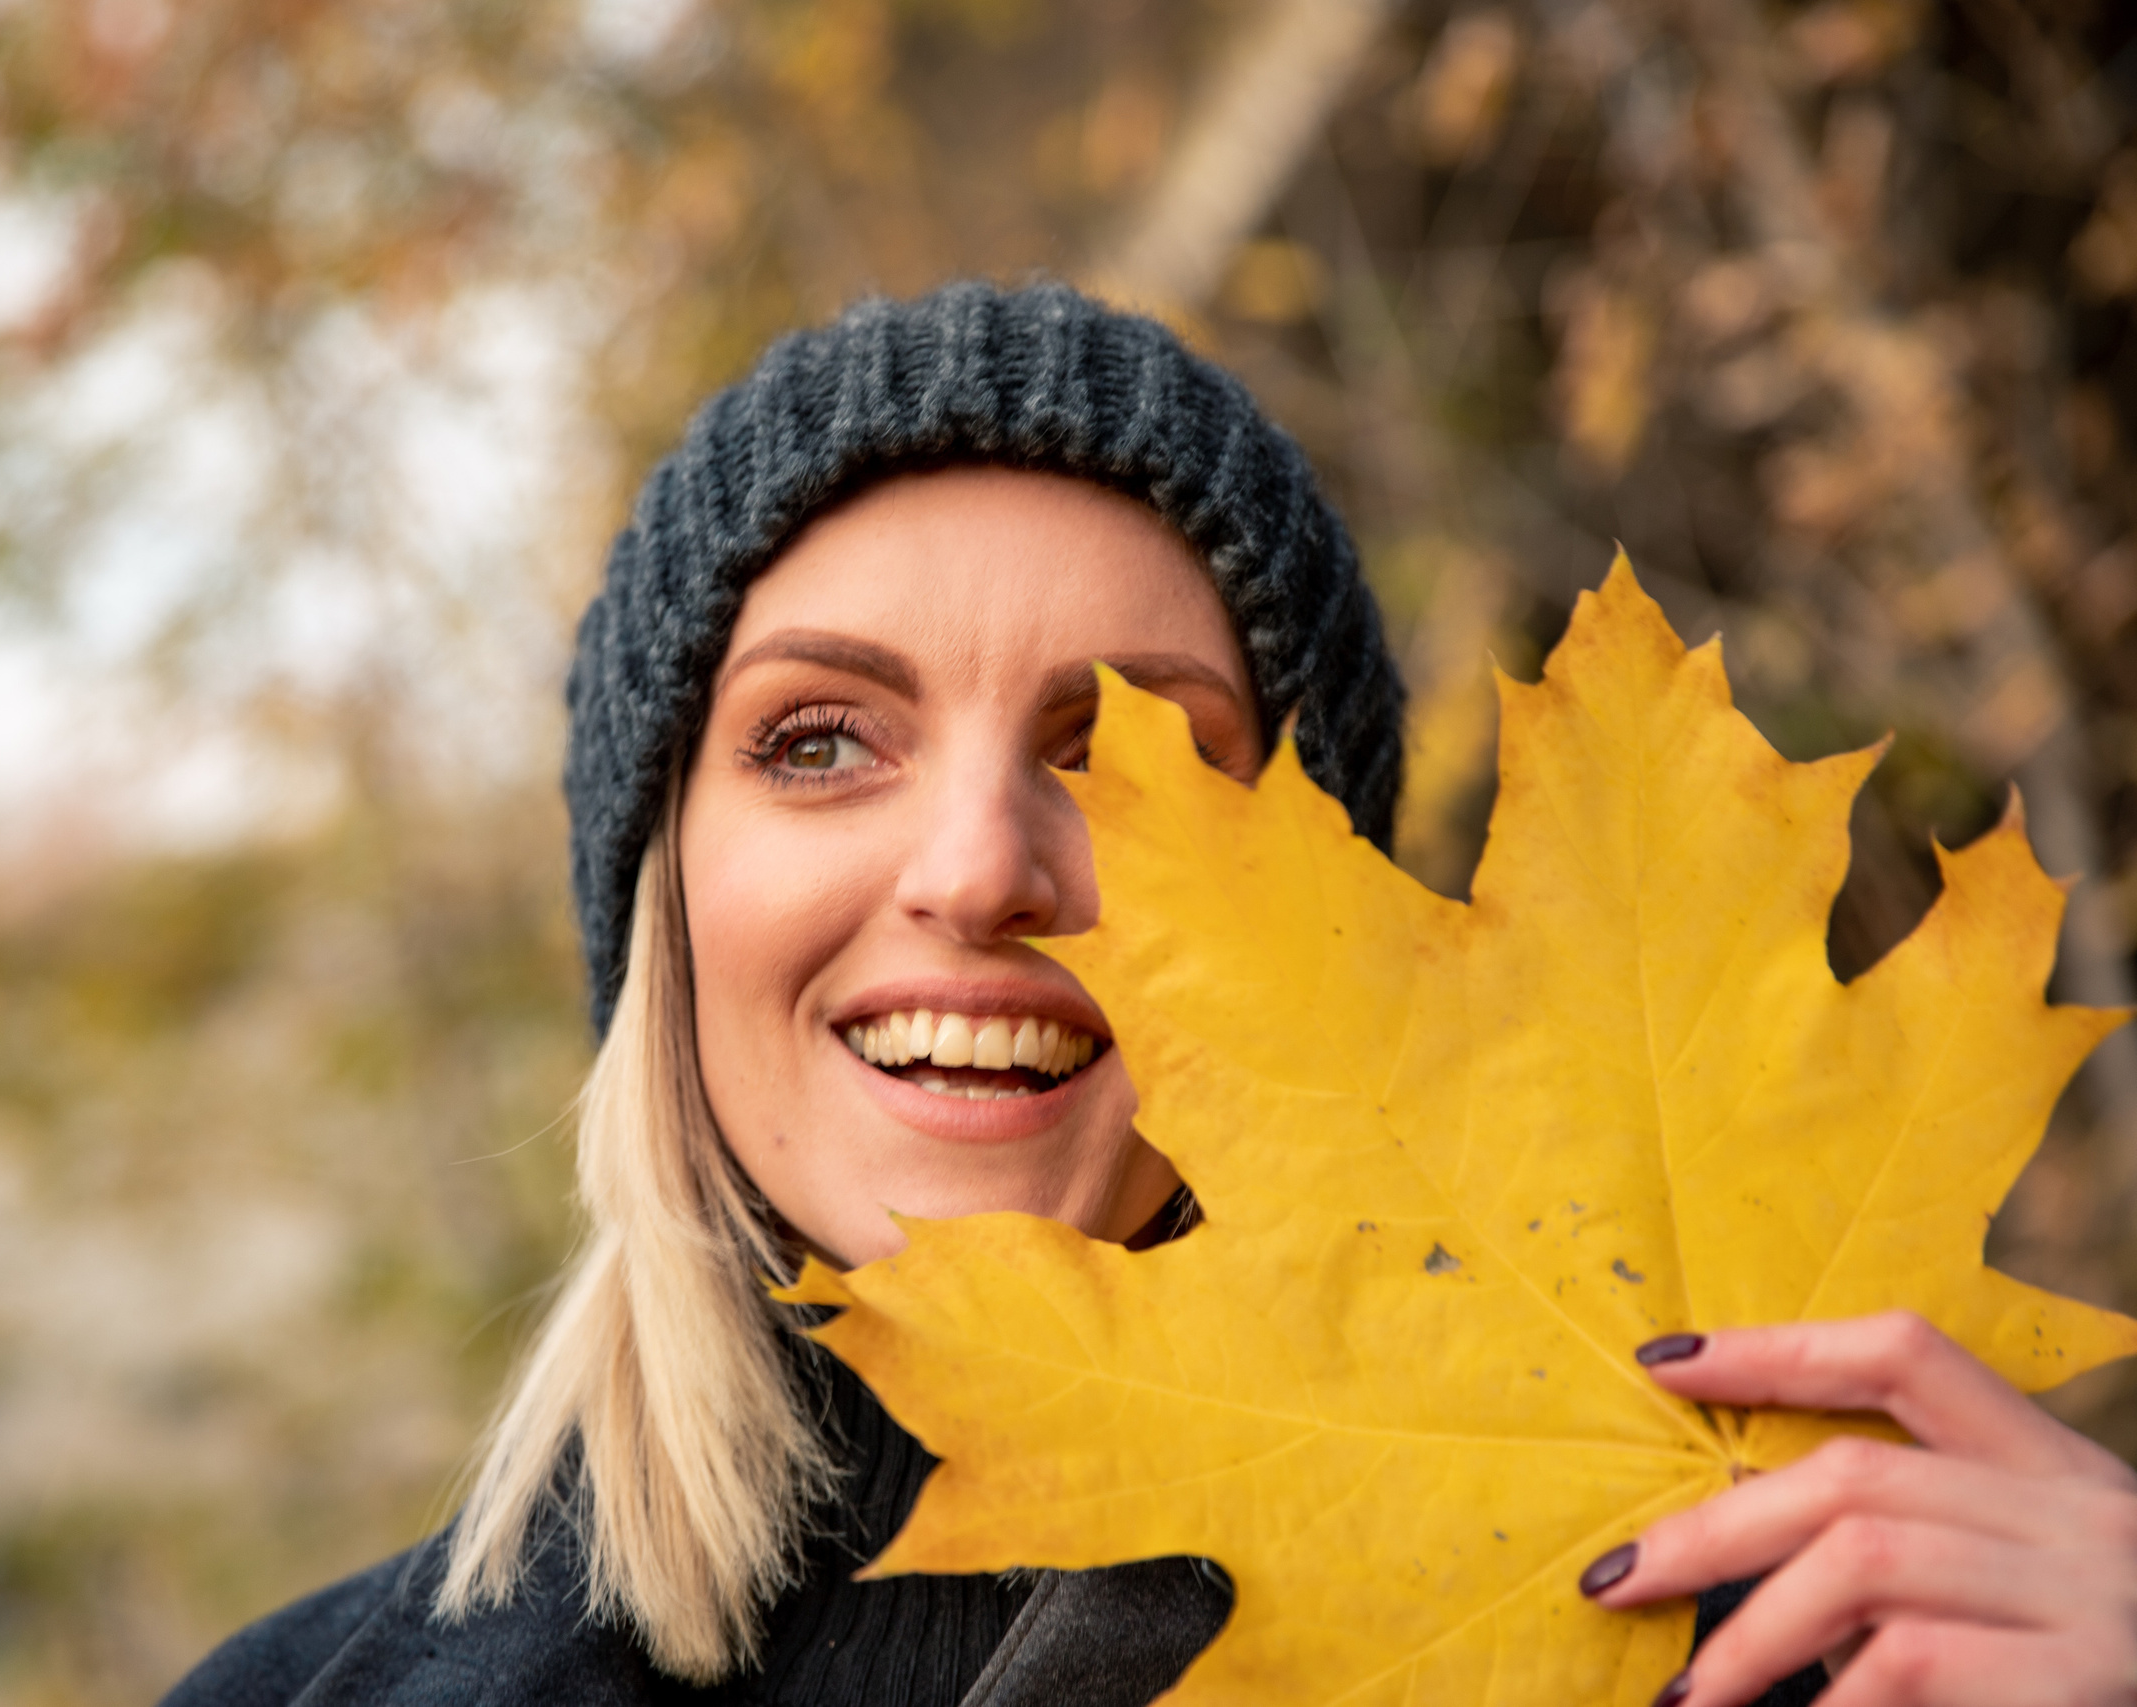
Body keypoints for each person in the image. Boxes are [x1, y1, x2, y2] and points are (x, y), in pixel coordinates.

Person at [162, 282, 2137, 1707]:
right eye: (820, 740)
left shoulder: (1781, 1642)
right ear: (661, 894)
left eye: (1129, 752)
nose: (976, 869)